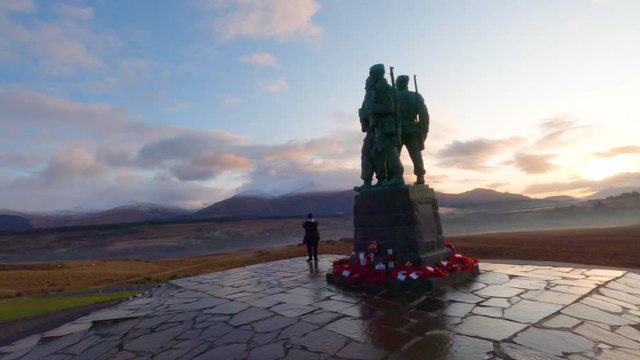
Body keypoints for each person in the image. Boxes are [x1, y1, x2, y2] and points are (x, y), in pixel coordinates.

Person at [368, 64, 404, 186]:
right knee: (376, 153)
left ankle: (398, 176)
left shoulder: (383, 87)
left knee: (390, 150)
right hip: (379, 126)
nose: (370, 76)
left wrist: (372, 108)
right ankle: (382, 179)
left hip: (385, 126)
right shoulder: (378, 87)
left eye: (371, 73)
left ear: (376, 74)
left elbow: (389, 108)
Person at [395, 75, 429, 184]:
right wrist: (424, 132)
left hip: (397, 130)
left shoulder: (393, 96)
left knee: (394, 155)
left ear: (398, 83)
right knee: (416, 154)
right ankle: (420, 177)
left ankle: (395, 176)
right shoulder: (416, 96)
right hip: (413, 129)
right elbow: (424, 116)